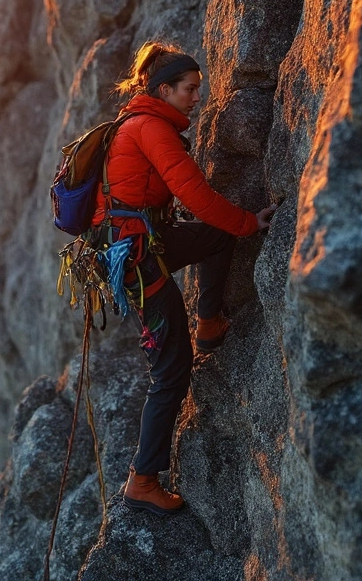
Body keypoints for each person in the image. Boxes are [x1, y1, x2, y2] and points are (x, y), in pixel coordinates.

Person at [89, 41, 277, 516]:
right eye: (190, 90)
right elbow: (194, 194)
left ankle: (209, 321)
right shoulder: (150, 129)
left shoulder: (138, 122)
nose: (197, 97)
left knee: (215, 238)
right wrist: (250, 222)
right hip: (138, 259)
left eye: (198, 88)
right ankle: (143, 480)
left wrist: (232, 226)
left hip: (142, 243)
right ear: (164, 89)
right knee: (171, 368)